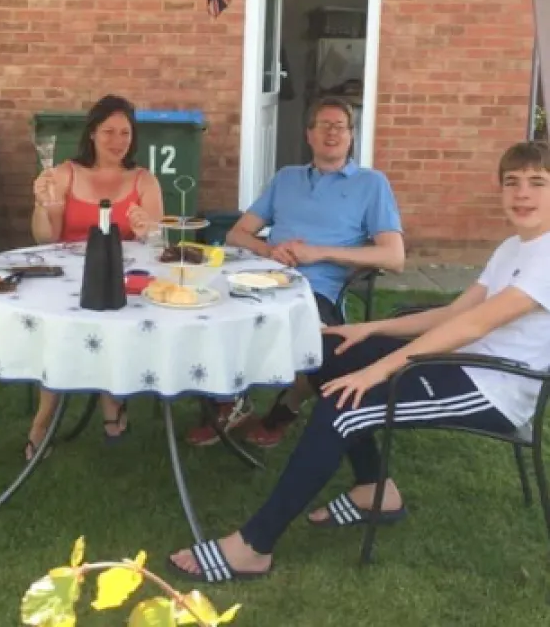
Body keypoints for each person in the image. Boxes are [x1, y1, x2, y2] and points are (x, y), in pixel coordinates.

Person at [168, 140, 550, 583]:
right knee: (326, 353)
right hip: (458, 362)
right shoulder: (514, 247)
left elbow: (472, 326)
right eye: (512, 182)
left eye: (537, 183)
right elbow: (452, 314)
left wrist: (380, 370)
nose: (522, 193)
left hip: (493, 388)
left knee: (343, 406)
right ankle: (374, 489)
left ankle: (253, 547)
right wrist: (366, 331)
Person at [186, 96, 405, 447]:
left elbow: (394, 256)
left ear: (351, 136)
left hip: (313, 291)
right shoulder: (286, 178)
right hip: (257, 278)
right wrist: (270, 250)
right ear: (309, 135)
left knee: (321, 346)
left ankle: (284, 408)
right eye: (324, 126)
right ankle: (228, 400)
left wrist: (319, 253)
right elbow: (236, 234)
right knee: (205, 311)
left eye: (340, 127)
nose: (332, 133)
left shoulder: (371, 184)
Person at [28, 94, 163, 457]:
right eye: (108, 132)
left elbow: (157, 244)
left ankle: (111, 400)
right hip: (68, 278)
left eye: (125, 133)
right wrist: (41, 205)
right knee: (60, 328)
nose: (118, 141)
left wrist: (147, 229)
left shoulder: (144, 180)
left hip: (121, 276)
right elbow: (44, 238)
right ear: (92, 133)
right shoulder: (64, 175)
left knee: (115, 319)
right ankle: (44, 419)